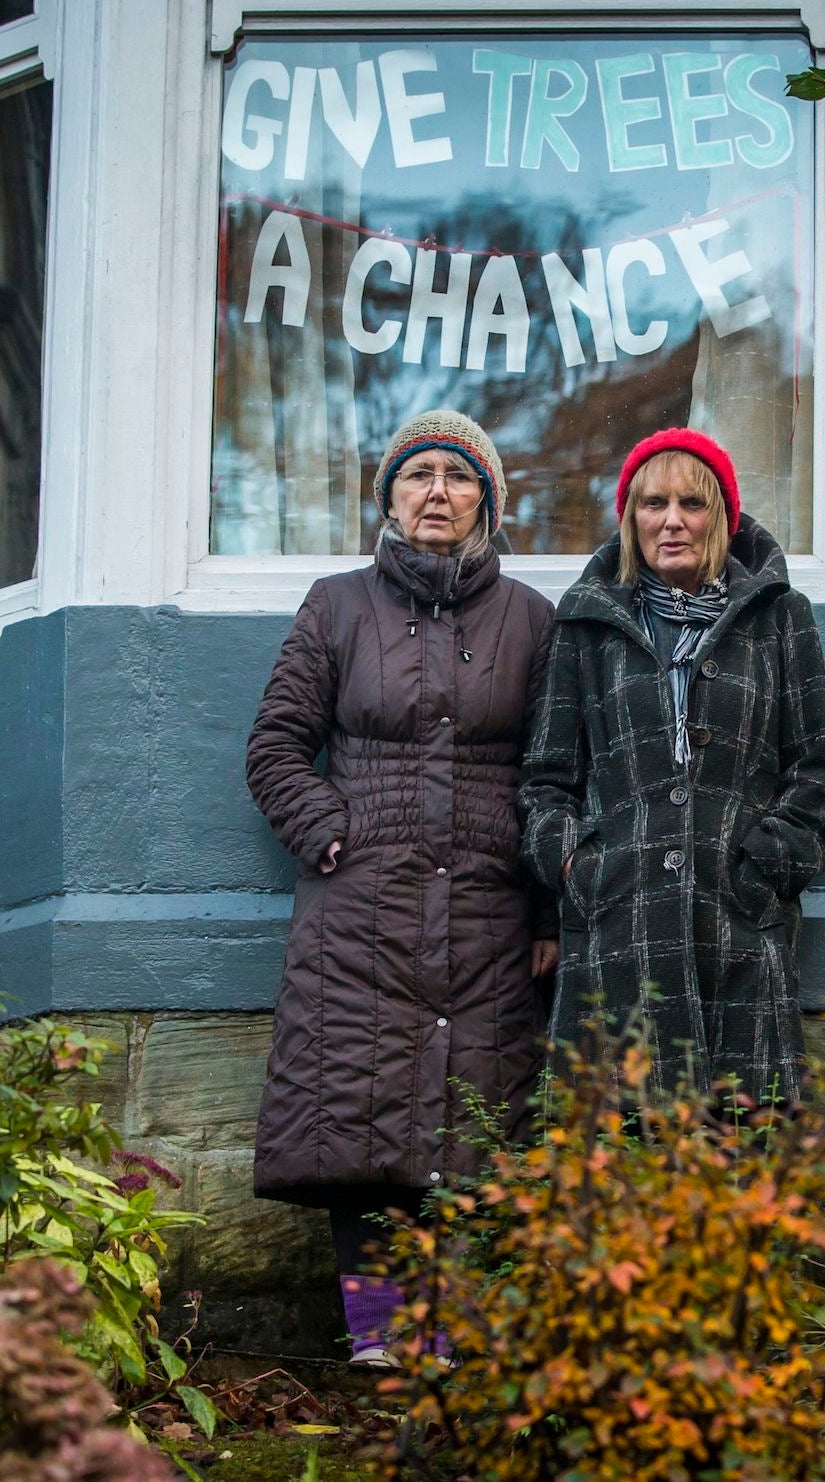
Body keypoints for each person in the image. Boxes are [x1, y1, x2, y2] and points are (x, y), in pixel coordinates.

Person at [245, 410, 557, 1368]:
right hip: (364, 908)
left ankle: (455, 1332)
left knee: (473, 1116)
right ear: (388, 497)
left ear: (487, 504)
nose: (437, 493)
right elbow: (274, 748)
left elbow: (555, 775)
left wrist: (547, 907)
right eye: (417, 475)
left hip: (486, 909)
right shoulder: (336, 607)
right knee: (365, 1117)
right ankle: (380, 1335)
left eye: (458, 479)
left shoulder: (533, 621)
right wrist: (329, 829)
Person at [520, 427, 825, 1107]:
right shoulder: (586, 626)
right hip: (618, 927)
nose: (671, 521)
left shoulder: (780, 619)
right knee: (614, 1173)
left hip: (737, 930)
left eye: (692, 504)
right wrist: (580, 871)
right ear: (630, 518)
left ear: (720, 517)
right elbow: (547, 782)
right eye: (653, 503)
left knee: (743, 1167)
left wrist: (760, 876)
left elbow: (815, 772)